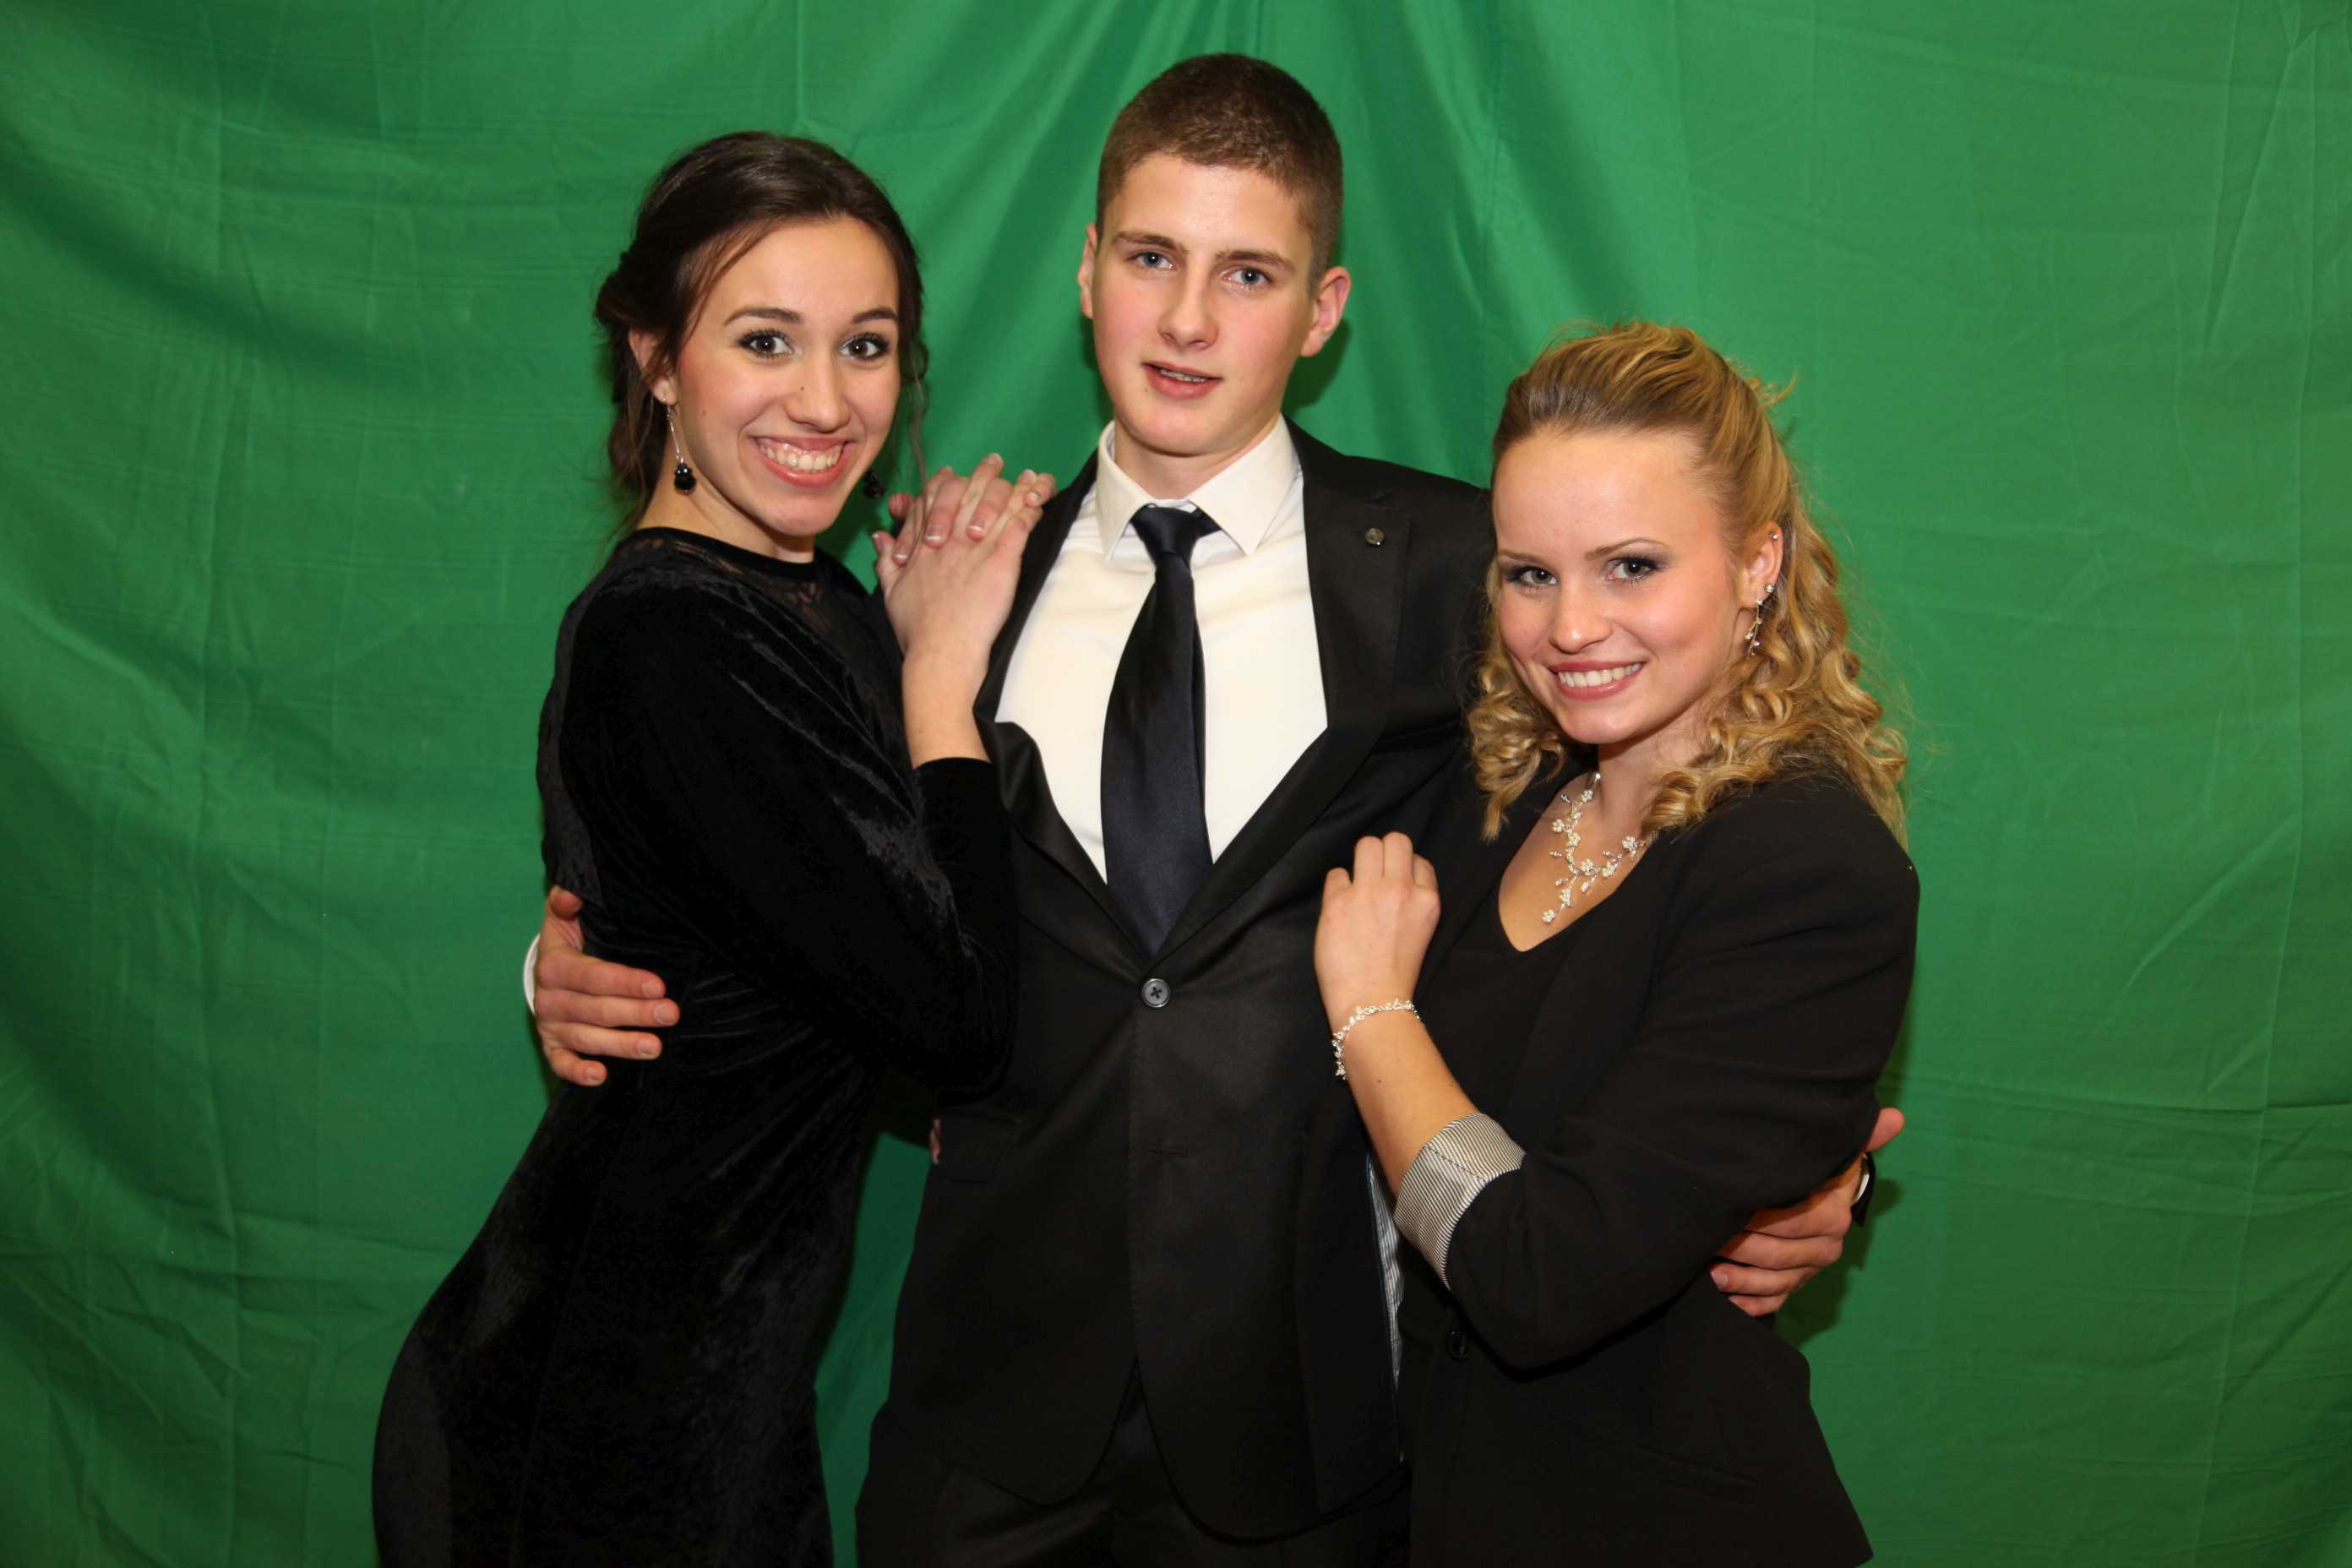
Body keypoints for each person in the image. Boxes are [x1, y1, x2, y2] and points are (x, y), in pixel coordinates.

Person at [528, 60, 1897, 1563]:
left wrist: (1804, 1163)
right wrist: (569, 961)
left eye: (1247, 273)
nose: (1187, 321)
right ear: (1086, 276)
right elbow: (792, 867)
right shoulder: (947, 585)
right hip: (987, 1423)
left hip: (1312, 1425)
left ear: (1322, 311)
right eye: (1150, 258)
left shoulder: (1475, 573)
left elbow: (1648, 895)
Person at [372, 132, 1050, 1565]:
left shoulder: (809, 601)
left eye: (866, 346)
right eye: (764, 341)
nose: (826, 401)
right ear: (658, 359)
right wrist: (942, 681)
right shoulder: (675, 636)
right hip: (606, 1421)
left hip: (713, 1389)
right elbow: (956, 1020)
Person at [1314, 322, 1914, 1564]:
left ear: (1758, 564)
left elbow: (1535, 1279)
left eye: (1631, 566)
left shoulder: (1809, 863)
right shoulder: (1506, 793)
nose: (1571, 626)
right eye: (1529, 573)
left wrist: (1373, 1012)